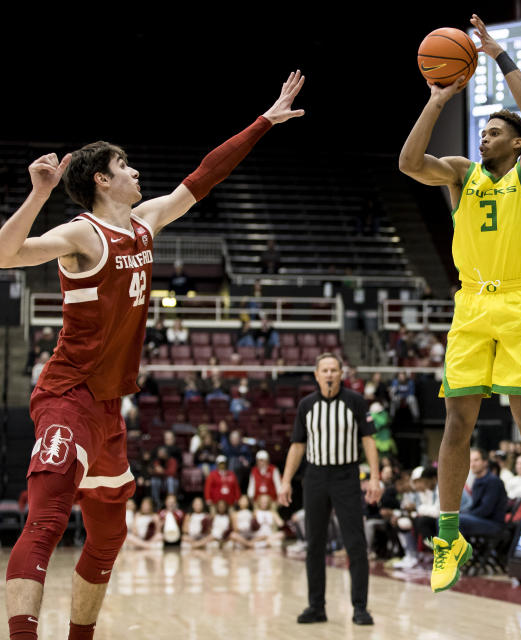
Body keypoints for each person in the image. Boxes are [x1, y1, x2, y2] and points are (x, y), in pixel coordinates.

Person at [0, 71, 304, 640]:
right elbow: (4, 253)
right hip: (67, 396)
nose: (138, 172)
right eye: (126, 166)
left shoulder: (144, 222)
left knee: (109, 535)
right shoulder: (80, 234)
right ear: (102, 179)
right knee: (44, 521)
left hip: (110, 408)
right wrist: (39, 192)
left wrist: (265, 120)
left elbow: (202, 177)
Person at [399, 14, 521, 597]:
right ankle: (449, 536)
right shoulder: (461, 175)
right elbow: (409, 164)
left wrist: (496, 56)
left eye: (494, 131)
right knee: (456, 424)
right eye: (483, 131)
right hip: (470, 306)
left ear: (516, 144)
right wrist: (438, 100)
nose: (484, 137)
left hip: (516, 302)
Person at [277, 353, 383, 626]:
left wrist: (374, 477)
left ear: (341, 373)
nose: (329, 374)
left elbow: (369, 440)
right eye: (324, 370)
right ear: (316, 374)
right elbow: (298, 445)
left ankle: (360, 607)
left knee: (355, 544)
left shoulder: (356, 402)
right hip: (315, 476)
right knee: (315, 544)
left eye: (333, 370)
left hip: (346, 476)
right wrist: (286, 480)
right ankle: (316, 606)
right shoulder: (306, 405)